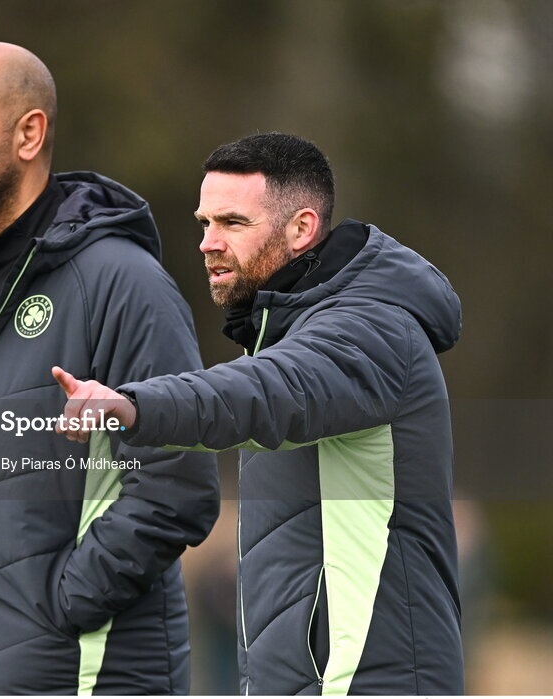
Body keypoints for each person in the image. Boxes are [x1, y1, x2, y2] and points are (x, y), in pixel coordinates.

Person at [53, 133, 464, 695]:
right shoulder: (285, 332)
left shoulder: (371, 328)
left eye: (232, 223)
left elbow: (268, 393)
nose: (207, 242)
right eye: (204, 223)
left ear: (301, 228)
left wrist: (132, 404)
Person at [0, 42, 219, 694]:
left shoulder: (122, 282)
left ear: (29, 133)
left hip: (82, 675)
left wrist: (63, 602)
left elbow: (178, 482)